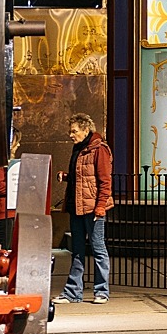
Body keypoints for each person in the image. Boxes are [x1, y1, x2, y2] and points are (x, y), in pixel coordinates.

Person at [58, 113, 113, 304]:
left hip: (92, 208)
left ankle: (101, 291)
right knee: (78, 251)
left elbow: (105, 182)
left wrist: (100, 208)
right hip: (77, 207)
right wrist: (66, 176)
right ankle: (73, 293)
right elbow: (83, 178)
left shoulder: (99, 149)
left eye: (74, 131)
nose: (71, 135)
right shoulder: (79, 149)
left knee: (98, 249)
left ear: (85, 129)